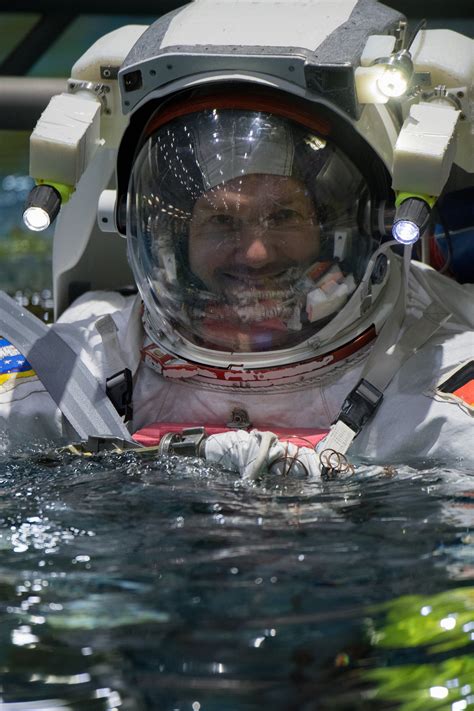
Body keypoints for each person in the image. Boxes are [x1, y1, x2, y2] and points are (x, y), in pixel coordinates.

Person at [1, 0, 473, 476]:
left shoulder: (435, 395)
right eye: (222, 221)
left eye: (284, 215)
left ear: (361, 223)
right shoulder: (81, 371)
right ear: (172, 234)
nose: (255, 253)